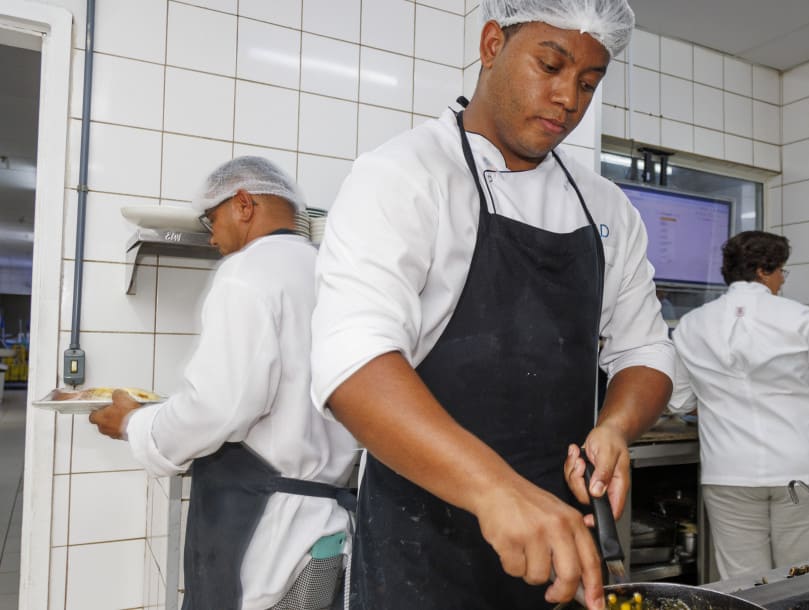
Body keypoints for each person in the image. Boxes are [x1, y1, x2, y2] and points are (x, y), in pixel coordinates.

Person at [310, 1, 674, 608]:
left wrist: (614, 426)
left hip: (559, 548)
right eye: (550, 65)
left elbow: (647, 351)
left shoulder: (605, 207)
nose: (568, 100)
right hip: (421, 545)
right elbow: (352, 361)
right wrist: (496, 492)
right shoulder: (404, 175)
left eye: (588, 83)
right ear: (489, 46)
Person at [89, 156, 359, 610]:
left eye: (211, 219)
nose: (212, 236)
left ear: (244, 203)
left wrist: (135, 423)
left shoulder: (249, 272)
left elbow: (217, 408)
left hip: (263, 536)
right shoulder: (329, 272)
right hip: (322, 524)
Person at [667, 231, 809, 580]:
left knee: (745, 585)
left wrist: (721, 401)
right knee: (804, 580)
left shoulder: (691, 324)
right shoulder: (803, 318)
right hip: (804, 471)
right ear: (762, 271)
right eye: (781, 270)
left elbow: (679, 399)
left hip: (728, 471)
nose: (783, 279)